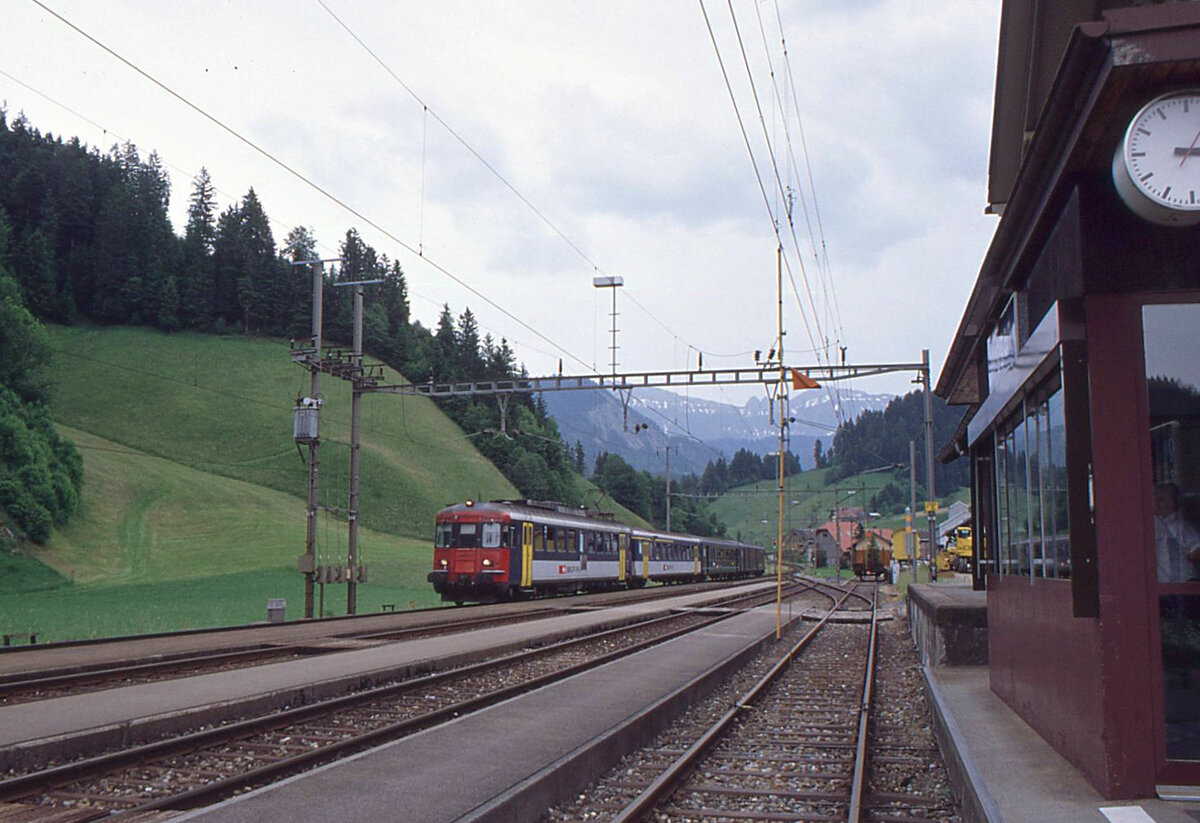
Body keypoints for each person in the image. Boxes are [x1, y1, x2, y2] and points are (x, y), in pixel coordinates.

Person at [1155, 482, 1200, 582]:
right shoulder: (1152, 524)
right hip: (1161, 583)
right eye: (1155, 500)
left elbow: (1196, 548)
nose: (1157, 504)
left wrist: (1186, 555)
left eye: (1162, 500)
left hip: (1182, 582)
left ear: (1173, 503)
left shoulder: (1180, 526)